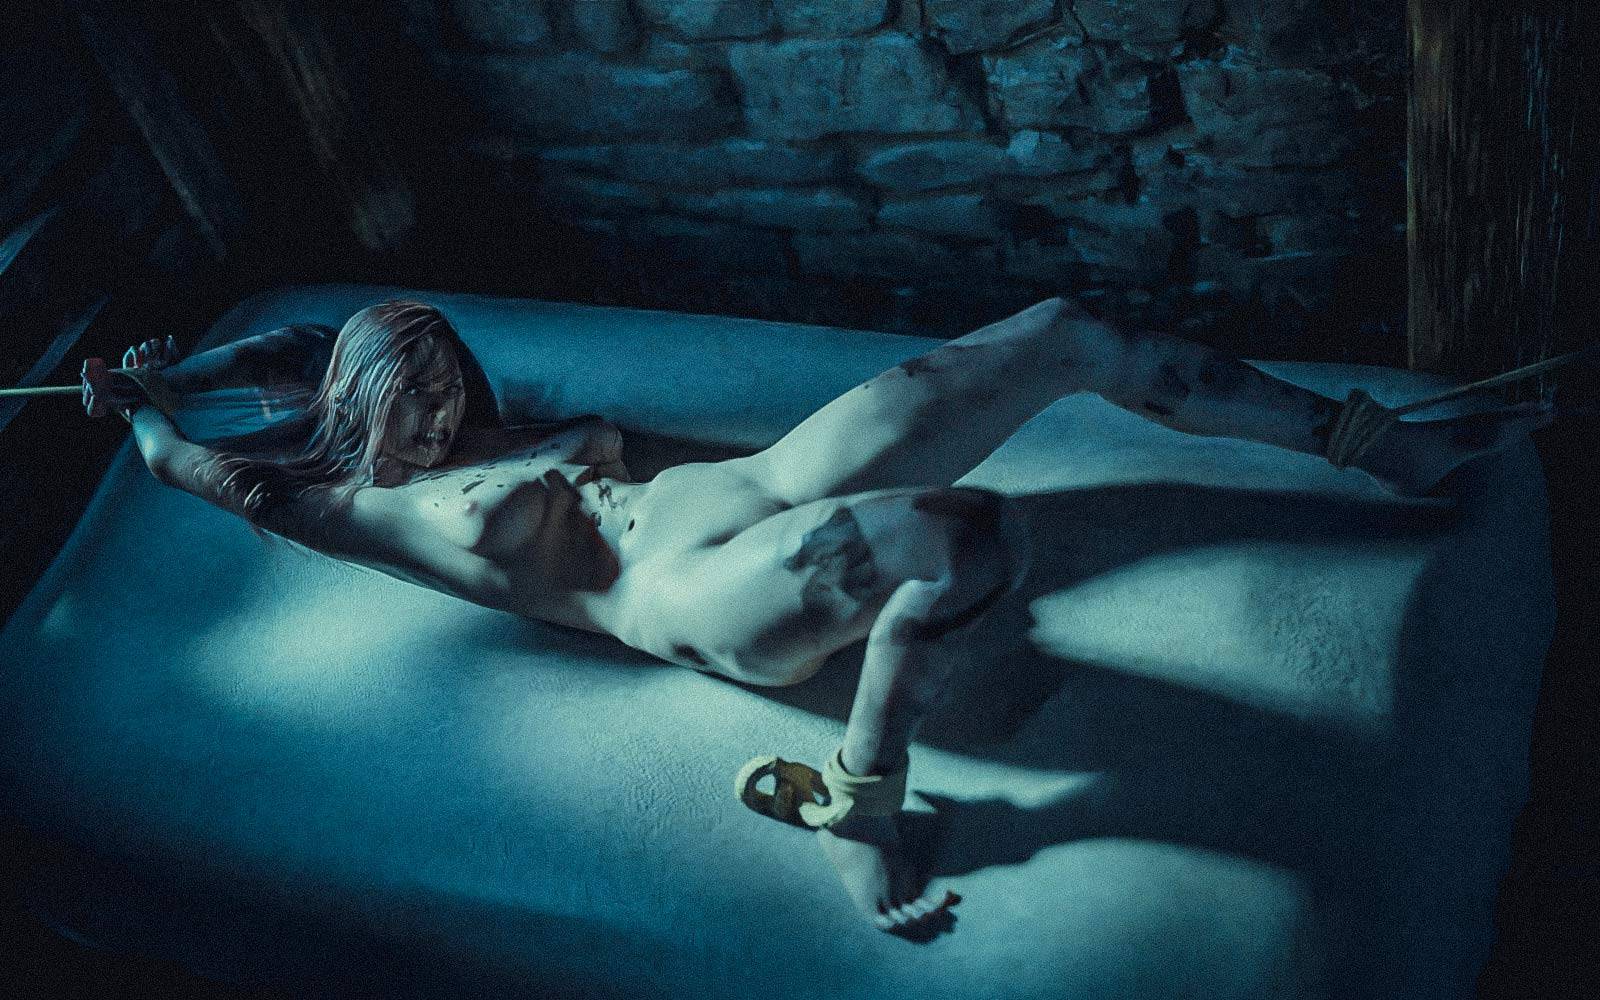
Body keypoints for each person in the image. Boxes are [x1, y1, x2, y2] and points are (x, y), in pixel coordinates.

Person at [83, 296, 1551, 933]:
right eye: (407, 404)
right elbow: (196, 463)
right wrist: (145, 407)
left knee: (1064, 334)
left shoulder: (469, 420)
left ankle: (1381, 444)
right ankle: (864, 802)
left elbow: (309, 337)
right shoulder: (349, 507)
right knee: (961, 537)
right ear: (351, 414)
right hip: (688, 592)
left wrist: (198, 355)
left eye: (442, 384)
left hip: (761, 481)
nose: (439, 415)